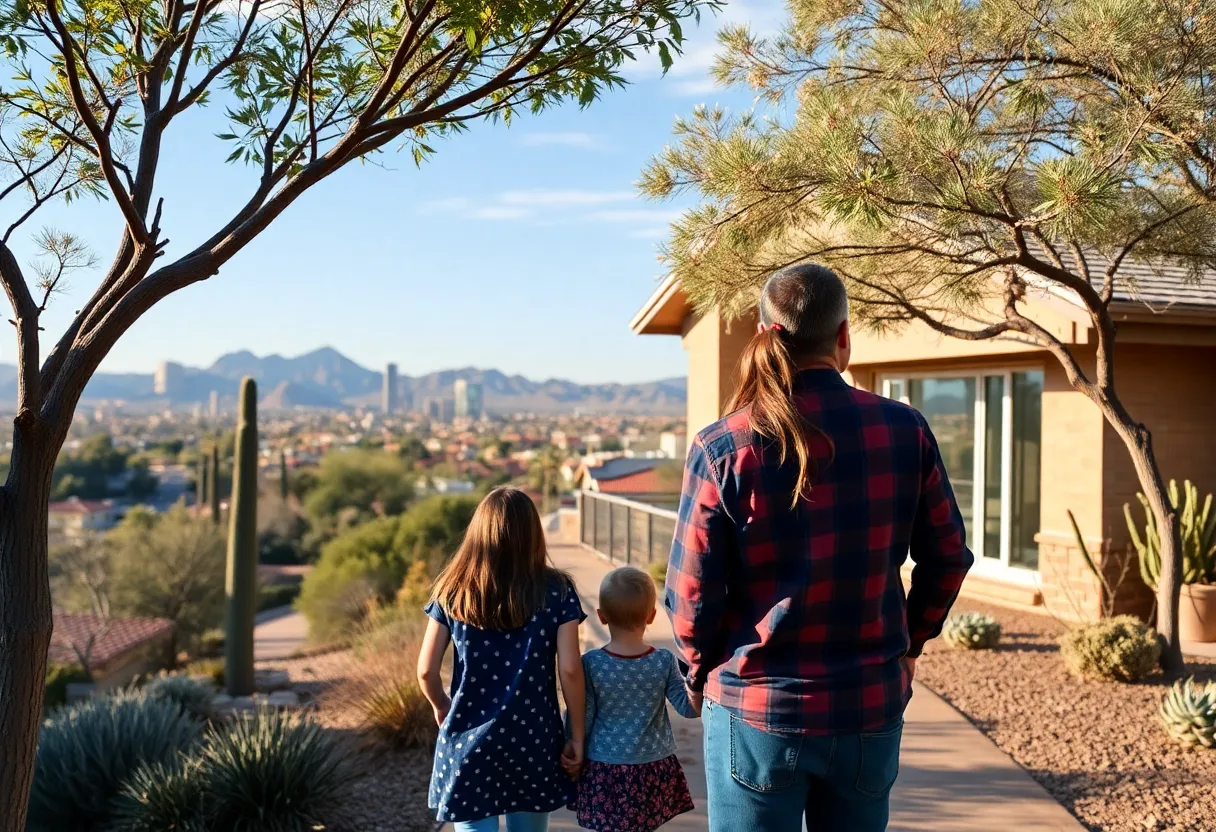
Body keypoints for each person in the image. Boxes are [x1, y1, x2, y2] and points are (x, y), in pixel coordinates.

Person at [665, 263, 974, 832]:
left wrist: (698, 675)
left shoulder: (722, 446)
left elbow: (690, 596)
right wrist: (909, 647)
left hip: (755, 712)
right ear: (844, 337)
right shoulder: (905, 430)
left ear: (765, 334)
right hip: (867, 708)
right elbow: (949, 557)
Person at [417, 487, 587, 832]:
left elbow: (425, 670)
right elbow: (570, 669)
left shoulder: (452, 589)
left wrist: (441, 705)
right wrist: (577, 735)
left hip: (468, 740)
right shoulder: (557, 590)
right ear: (533, 534)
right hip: (533, 739)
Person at [567, 566, 698, 832]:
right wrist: (697, 680)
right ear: (651, 616)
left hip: (605, 768)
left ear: (602, 617)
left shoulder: (592, 663)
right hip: (652, 768)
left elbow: (584, 714)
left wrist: (572, 742)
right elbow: (688, 709)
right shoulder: (663, 661)